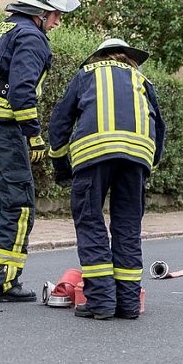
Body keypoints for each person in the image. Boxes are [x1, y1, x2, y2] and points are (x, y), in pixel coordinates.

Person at [0, 0, 81, 302]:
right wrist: (34, 136)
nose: (57, 22)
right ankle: (2, 281)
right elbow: (22, 89)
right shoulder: (31, 37)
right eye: (54, 15)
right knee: (18, 203)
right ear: (39, 12)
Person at [47, 38, 165, 320]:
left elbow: (60, 122)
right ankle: (127, 304)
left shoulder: (87, 74)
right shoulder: (141, 78)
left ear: (98, 56)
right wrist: (149, 164)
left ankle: (100, 302)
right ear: (128, 57)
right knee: (127, 227)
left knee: (90, 222)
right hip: (137, 157)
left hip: (93, 154)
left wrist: (61, 166)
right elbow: (159, 126)